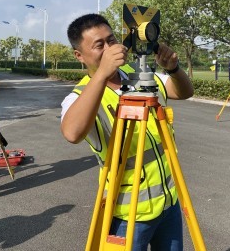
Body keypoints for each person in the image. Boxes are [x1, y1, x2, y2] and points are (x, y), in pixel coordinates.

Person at [60, 14, 194, 250]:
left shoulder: (139, 74)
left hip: (169, 202)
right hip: (127, 213)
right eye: (99, 45)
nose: (110, 48)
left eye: (112, 40)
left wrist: (173, 69)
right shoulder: (80, 96)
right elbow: (72, 133)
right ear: (79, 56)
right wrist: (101, 74)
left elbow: (184, 91)